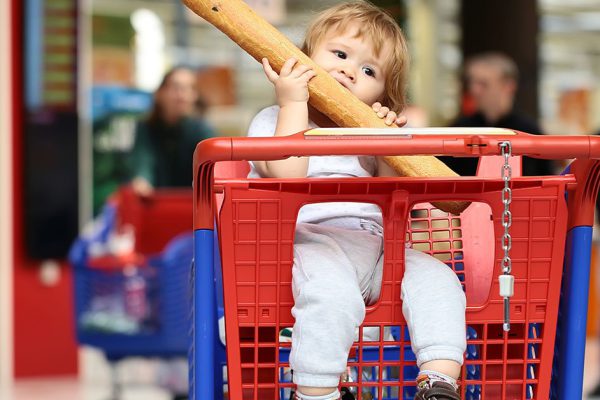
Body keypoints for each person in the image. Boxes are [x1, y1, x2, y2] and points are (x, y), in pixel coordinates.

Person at [247, 2, 466, 400]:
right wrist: (293, 102)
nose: (349, 71)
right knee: (331, 294)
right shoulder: (274, 119)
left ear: (383, 93)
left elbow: (395, 195)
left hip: (376, 247)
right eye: (340, 54)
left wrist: (389, 145)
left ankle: (439, 380)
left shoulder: (369, 135)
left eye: (369, 71)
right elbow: (287, 174)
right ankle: (316, 391)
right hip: (304, 242)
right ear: (305, 54)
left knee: (439, 278)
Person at [440, 52, 554, 177]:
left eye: (483, 84)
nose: (474, 90)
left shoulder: (529, 132)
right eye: (472, 83)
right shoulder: (459, 130)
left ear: (508, 86)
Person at [129, 66, 215, 196]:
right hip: (155, 204)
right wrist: (142, 181)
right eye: (176, 88)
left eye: (188, 89)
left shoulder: (202, 130)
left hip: (192, 205)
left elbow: (213, 169)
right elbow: (143, 163)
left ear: (194, 96)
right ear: (160, 93)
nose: (182, 96)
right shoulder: (147, 127)